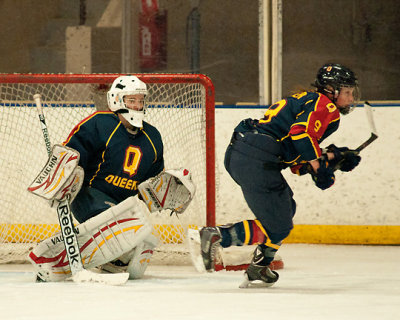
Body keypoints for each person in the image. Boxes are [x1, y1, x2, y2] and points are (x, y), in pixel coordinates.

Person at [195, 63, 362, 288]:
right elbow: (300, 133)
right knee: (279, 226)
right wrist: (319, 166)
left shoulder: (310, 101)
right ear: (331, 90)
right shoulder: (326, 107)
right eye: (348, 92)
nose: (351, 98)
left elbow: (296, 160)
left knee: (286, 209)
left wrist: (332, 159)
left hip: (246, 152)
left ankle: (259, 267)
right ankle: (217, 236)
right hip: (258, 157)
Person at [28, 75, 195, 281]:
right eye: (131, 100)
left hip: (124, 206)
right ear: (116, 99)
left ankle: (112, 260)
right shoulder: (100, 123)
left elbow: (150, 183)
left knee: (141, 247)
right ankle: (58, 256)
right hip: (90, 196)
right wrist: (62, 177)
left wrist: (159, 192)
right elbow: (71, 157)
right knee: (118, 228)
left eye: (140, 100)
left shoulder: (153, 137)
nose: (137, 105)